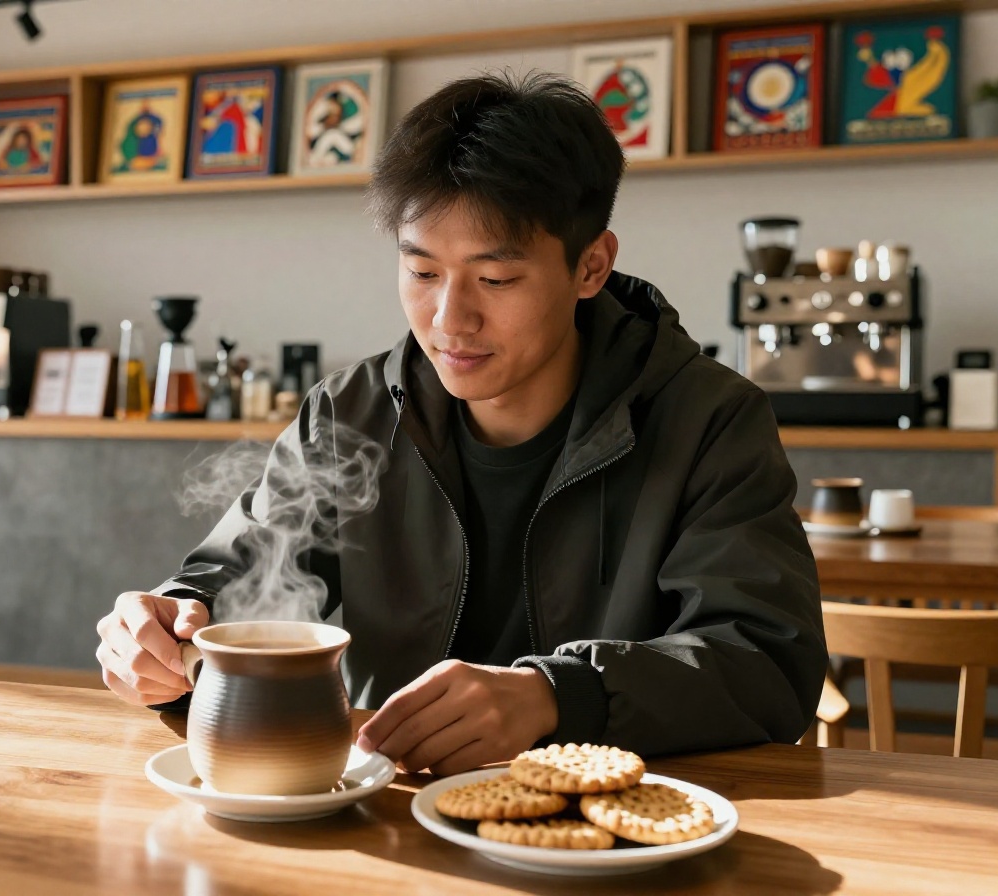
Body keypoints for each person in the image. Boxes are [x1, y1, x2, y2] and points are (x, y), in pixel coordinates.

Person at [94, 71, 826, 774]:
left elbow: (768, 660)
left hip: (622, 828)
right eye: (421, 272)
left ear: (591, 267)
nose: (449, 321)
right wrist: (170, 628)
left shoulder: (707, 419)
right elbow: (236, 577)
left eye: (497, 279)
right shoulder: (350, 413)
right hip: (388, 808)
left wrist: (558, 696)